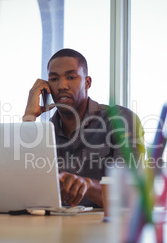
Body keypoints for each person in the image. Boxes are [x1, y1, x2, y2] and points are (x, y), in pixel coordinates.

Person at [23, 48, 144, 208]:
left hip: (104, 227)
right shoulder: (44, 134)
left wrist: (87, 185)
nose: (62, 86)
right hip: (57, 225)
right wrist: (29, 117)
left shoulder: (120, 120)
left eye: (71, 77)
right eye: (53, 79)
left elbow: (128, 195)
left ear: (87, 82)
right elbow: (24, 188)